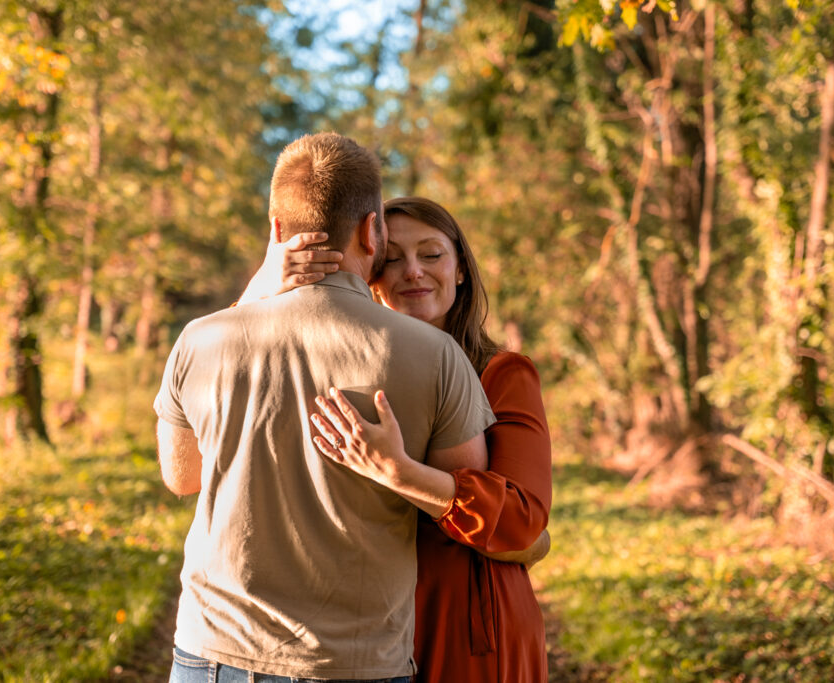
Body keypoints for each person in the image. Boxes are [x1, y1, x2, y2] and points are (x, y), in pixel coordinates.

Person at [153, 134, 495, 682]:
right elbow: (467, 498)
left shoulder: (201, 339)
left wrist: (248, 299)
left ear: (275, 229)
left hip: (211, 655)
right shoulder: (436, 355)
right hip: (356, 664)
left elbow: (182, 475)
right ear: (372, 230)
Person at [275, 197, 553, 682]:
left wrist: (401, 475)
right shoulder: (336, 368)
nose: (412, 272)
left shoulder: (502, 374)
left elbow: (522, 522)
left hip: (464, 622)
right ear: (370, 275)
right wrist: (266, 286)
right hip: (357, 622)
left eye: (430, 254)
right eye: (392, 258)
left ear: (460, 269)